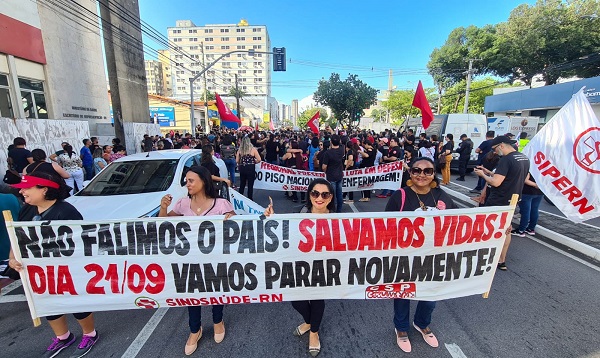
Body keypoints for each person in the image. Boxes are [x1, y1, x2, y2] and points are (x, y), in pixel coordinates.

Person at [8, 172, 99, 357]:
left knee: (76, 303)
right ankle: (63, 337)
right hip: (38, 272)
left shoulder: (67, 212)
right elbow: (16, 237)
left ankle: (90, 334)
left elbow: (82, 241)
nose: (22, 192)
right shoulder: (27, 209)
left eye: (27, 188)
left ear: (44, 189)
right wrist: (12, 258)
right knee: (48, 304)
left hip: (67, 269)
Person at [158, 166, 236, 356]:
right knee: (192, 295)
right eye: (187, 180)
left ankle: (218, 321)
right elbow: (163, 225)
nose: (187, 183)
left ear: (203, 181)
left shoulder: (221, 204)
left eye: (191, 180)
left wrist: (230, 219)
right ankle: (195, 330)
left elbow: (237, 228)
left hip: (216, 259)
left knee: (216, 291)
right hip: (189, 261)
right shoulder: (182, 203)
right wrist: (163, 208)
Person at [384, 157, 456, 353]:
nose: (421, 175)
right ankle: (401, 328)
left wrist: (499, 228)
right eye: (416, 170)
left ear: (434, 174)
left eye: (427, 171)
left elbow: (461, 222)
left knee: (431, 295)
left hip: (434, 257)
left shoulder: (441, 196)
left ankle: (422, 323)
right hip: (405, 257)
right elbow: (385, 226)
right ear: (410, 172)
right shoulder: (400, 196)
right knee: (403, 293)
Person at [268, 178, 333, 357]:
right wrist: (269, 219)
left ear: (330, 197)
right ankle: (310, 322)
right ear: (309, 195)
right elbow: (282, 233)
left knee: (317, 300)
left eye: (324, 194)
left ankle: (313, 332)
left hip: (325, 268)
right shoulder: (300, 213)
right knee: (297, 300)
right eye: (315, 193)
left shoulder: (339, 218)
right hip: (300, 266)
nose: (319, 198)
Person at [474, 136, 530, 271]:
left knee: (488, 228)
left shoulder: (506, 160)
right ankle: (501, 260)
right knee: (507, 230)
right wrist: (489, 172)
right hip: (513, 199)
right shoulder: (524, 158)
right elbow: (522, 178)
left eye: (494, 149)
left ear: (501, 146)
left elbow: (496, 182)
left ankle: (486, 257)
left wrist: (482, 175)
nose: (494, 152)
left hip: (499, 200)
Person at [321, 134, 345, 213]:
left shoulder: (328, 153)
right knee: (339, 194)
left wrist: (325, 171)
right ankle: (339, 210)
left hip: (331, 176)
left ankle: (333, 211)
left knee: (332, 195)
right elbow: (341, 143)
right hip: (339, 175)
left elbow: (324, 166)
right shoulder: (342, 150)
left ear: (331, 142)